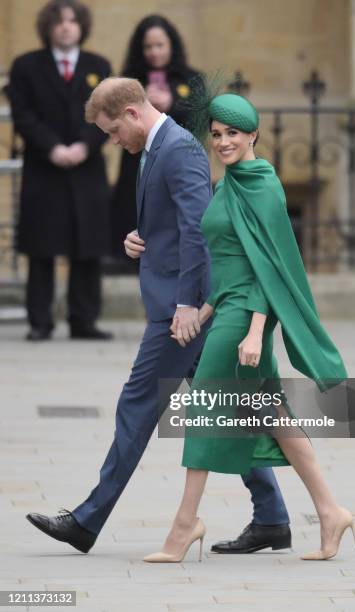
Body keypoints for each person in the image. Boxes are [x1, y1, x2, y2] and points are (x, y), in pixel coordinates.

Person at [24, 78, 291, 555]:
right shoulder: (157, 146)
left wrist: (188, 305)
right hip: (176, 300)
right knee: (225, 407)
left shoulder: (179, 149)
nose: (112, 141)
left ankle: (86, 521)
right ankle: (272, 516)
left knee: (137, 405)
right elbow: (176, 224)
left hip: (179, 312)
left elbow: (198, 229)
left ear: (130, 113)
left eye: (112, 131)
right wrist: (141, 238)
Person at [143, 93, 355, 564]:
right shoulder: (231, 183)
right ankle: (330, 510)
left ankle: (184, 527)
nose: (222, 142)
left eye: (232, 133)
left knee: (201, 410)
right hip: (228, 310)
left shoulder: (263, 185)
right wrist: (202, 311)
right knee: (272, 417)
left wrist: (257, 330)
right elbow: (230, 263)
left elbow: (270, 267)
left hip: (245, 320)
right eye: (216, 134)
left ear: (254, 134)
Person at [8, 0, 112, 341]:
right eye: (59, 21)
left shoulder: (100, 65)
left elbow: (109, 114)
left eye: (72, 21)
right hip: (44, 166)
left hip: (87, 167)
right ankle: (40, 322)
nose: (66, 26)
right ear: (48, 27)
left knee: (87, 247)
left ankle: (84, 320)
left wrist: (84, 145)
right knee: (42, 246)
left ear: (82, 26)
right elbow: (23, 114)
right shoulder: (26, 66)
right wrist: (52, 147)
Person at [110, 14, 202, 263]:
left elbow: (201, 120)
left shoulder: (191, 78)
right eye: (148, 46)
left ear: (172, 45)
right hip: (136, 163)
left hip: (178, 162)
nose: (154, 52)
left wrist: (172, 104)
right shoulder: (129, 79)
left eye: (160, 45)